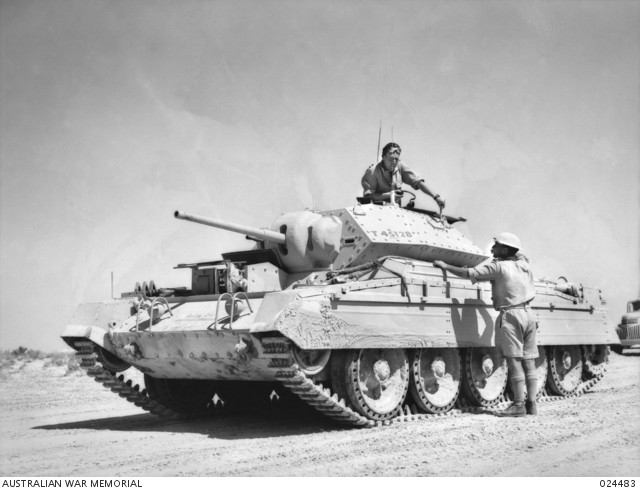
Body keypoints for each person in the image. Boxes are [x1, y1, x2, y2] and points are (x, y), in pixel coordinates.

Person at [433, 232, 539, 417]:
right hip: (529, 314)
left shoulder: (498, 267)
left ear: (505, 249)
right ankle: (532, 404)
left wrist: (445, 265)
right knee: (529, 362)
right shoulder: (524, 265)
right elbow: (521, 255)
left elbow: (469, 274)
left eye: (496, 245)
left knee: (514, 362)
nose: (492, 248)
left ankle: (518, 405)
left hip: (511, 314)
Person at [361, 142, 446, 209]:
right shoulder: (372, 172)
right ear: (383, 157)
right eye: (391, 159)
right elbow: (369, 196)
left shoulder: (400, 166)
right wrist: (390, 195)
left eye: (396, 159)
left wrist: (436, 197)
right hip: (377, 212)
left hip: (396, 212)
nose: (394, 162)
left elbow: (418, 182)